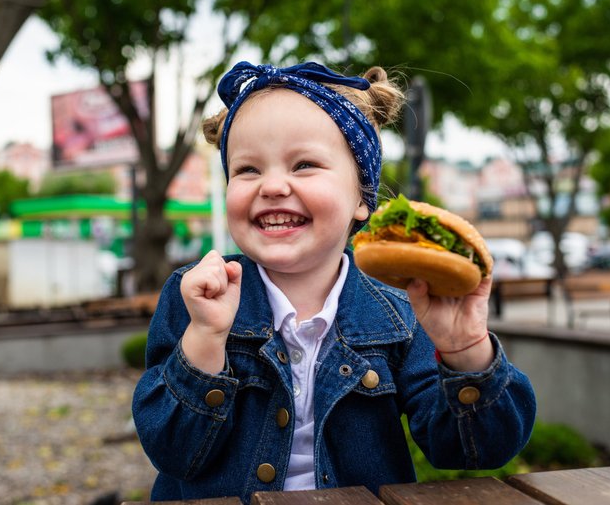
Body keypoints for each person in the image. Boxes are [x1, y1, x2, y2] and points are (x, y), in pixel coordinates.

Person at [132, 61, 536, 504]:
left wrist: (464, 350)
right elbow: (171, 452)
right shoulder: (195, 296)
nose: (272, 185)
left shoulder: (401, 310)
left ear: (362, 197)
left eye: (303, 165)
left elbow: (476, 450)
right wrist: (206, 338)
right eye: (247, 170)